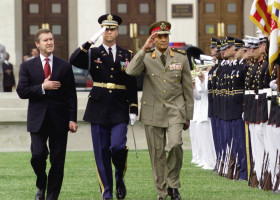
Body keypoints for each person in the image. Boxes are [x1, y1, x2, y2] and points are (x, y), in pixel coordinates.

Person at [69, 14, 138, 200]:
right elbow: (74, 59)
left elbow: (132, 82)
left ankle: (119, 176)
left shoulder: (127, 55)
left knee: (117, 147)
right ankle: (106, 192)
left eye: (112, 29)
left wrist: (133, 108)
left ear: (117, 32)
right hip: (99, 107)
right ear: (102, 31)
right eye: (105, 29)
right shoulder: (92, 53)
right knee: (101, 153)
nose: (109, 32)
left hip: (119, 107)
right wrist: (90, 40)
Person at [126, 21, 194, 200]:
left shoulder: (180, 57)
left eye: (166, 36)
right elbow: (130, 71)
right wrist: (143, 48)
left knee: (175, 145)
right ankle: (162, 192)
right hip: (153, 111)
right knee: (157, 154)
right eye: (159, 36)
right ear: (153, 38)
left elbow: (187, 88)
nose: (163, 39)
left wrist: (188, 115)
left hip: (175, 110)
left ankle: (173, 184)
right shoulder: (147, 56)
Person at [16, 28, 78, 200]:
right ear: (37, 44)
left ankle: (51, 196)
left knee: (58, 162)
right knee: (37, 155)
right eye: (45, 40)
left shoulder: (64, 66)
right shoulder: (27, 66)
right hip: (37, 120)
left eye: (51, 39)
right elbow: (21, 91)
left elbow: (70, 95)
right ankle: (41, 182)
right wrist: (43, 87)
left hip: (60, 120)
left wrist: (72, 118)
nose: (50, 42)